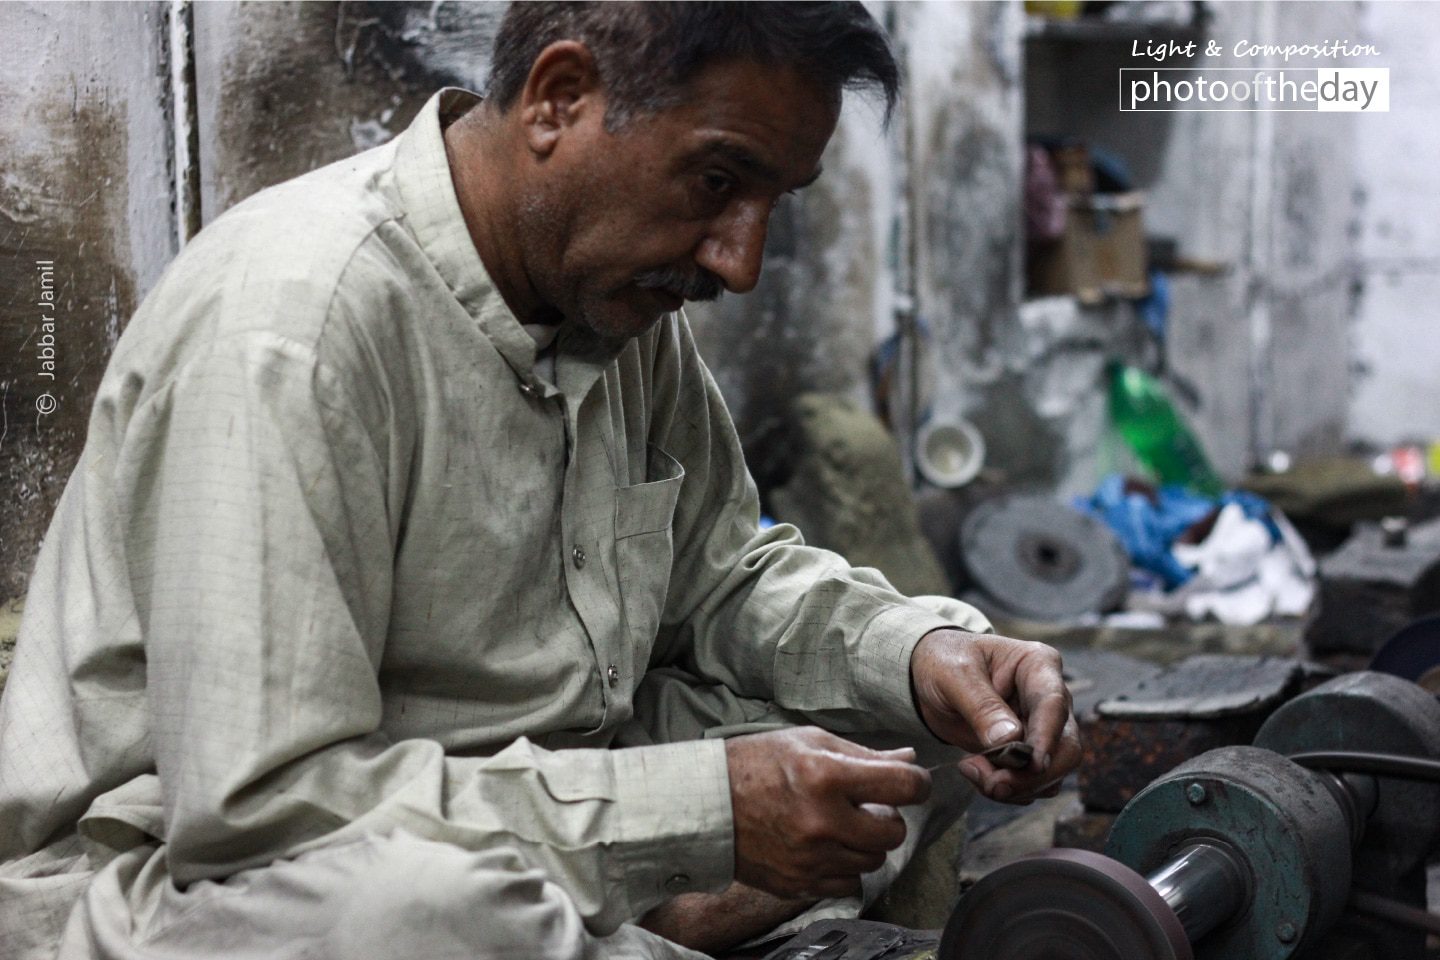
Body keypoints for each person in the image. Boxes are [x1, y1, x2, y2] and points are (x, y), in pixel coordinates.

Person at [0, 4, 1079, 958]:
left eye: (774, 202)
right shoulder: (296, 324)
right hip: (206, 878)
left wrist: (927, 652)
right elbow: (264, 811)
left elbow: (724, 577)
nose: (738, 260)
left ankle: (631, 923)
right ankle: (633, 924)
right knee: (423, 918)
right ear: (561, 100)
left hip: (544, 793)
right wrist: (697, 813)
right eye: (717, 182)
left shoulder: (616, 304)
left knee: (913, 732)